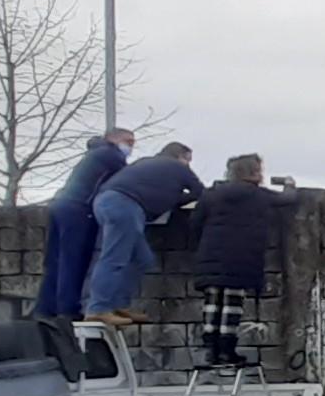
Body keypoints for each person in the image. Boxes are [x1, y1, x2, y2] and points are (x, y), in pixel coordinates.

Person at [191, 153, 297, 366]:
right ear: (254, 172)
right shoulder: (258, 195)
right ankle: (227, 350)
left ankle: (210, 349)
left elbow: (195, 223)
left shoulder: (212, 194)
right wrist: (289, 184)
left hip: (211, 255)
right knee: (232, 304)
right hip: (242, 256)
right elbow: (288, 200)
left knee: (213, 302)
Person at [84, 141, 205, 326]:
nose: (188, 164)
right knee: (114, 258)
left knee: (142, 258)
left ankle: (118, 305)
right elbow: (200, 192)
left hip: (109, 202)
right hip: (126, 205)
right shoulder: (177, 167)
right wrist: (180, 200)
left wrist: (172, 198)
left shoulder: (145, 163)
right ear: (180, 156)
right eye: (188, 159)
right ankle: (98, 308)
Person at [36, 127, 133, 318]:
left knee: (56, 261)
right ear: (113, 140)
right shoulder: (111, 155)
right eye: (128, 142)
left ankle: (45, 309)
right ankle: (67, 310)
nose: (131, 147)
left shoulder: (94, 154)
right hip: (79, 208)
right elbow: (128, 180)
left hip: (60, 205)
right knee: (74, 261)